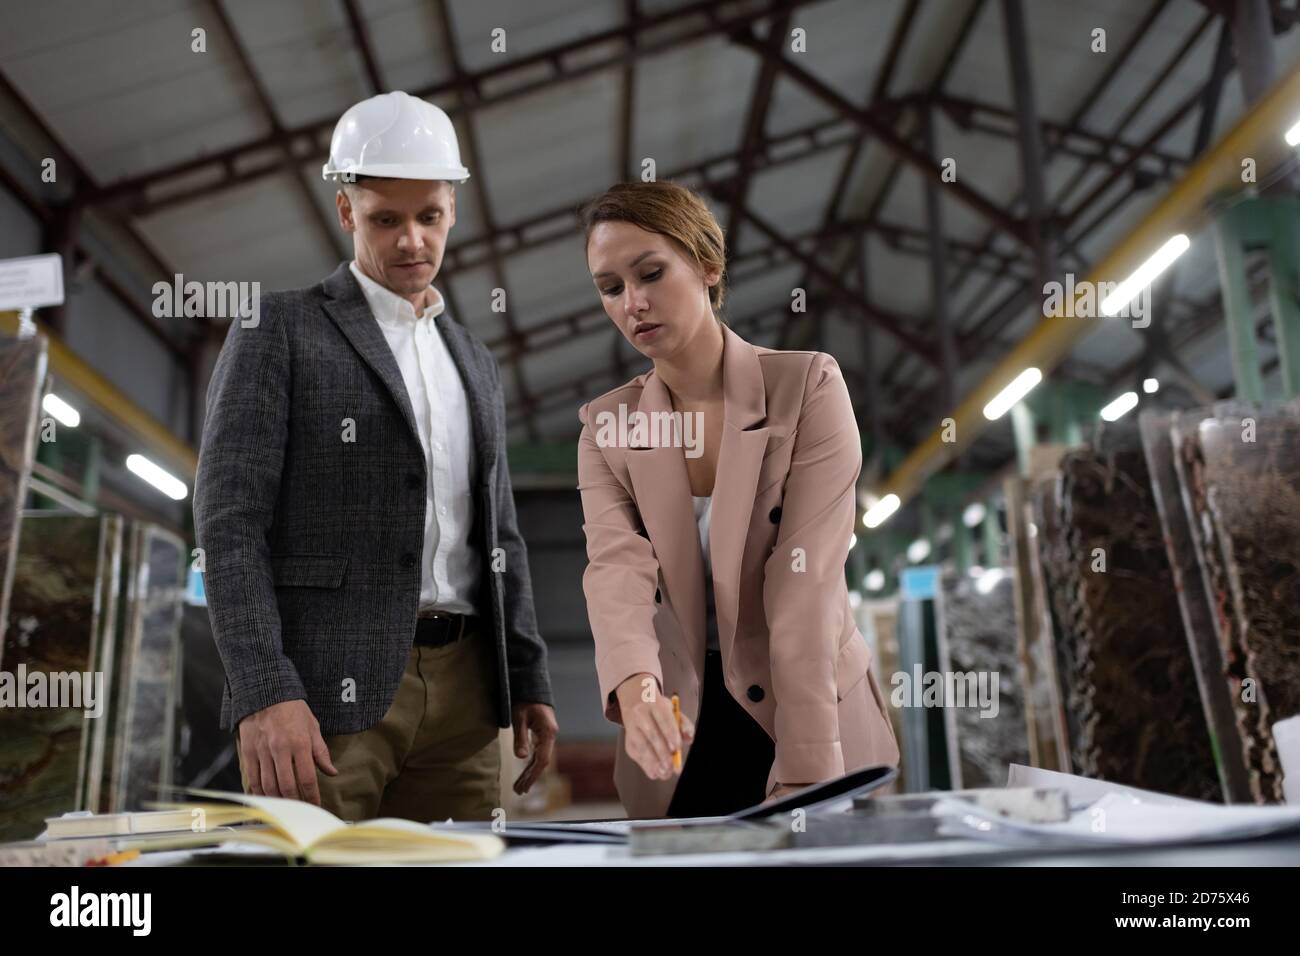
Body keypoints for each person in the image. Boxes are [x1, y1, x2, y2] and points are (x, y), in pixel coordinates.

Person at [193, 91, 557, 823]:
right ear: (345, 211)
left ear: (453, 207)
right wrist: (266, 688)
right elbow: (229, 524)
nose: (411, 241)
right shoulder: (279, 329)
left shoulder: (476, 362)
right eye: (385, 219)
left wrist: (529, 677)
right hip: (323, 699)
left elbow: (502, 537)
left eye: (429, 217)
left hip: (465, 698)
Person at [575, 180, 899, 819]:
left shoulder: (807, 386)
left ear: (707, 266)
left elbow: (802, 585)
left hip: (808, 705)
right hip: (683, 726)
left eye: (651, 273)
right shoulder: (605, 425)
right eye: (611, 288)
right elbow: (616, 569)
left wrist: (809, 774)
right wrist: (638, 693)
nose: (633, 303)